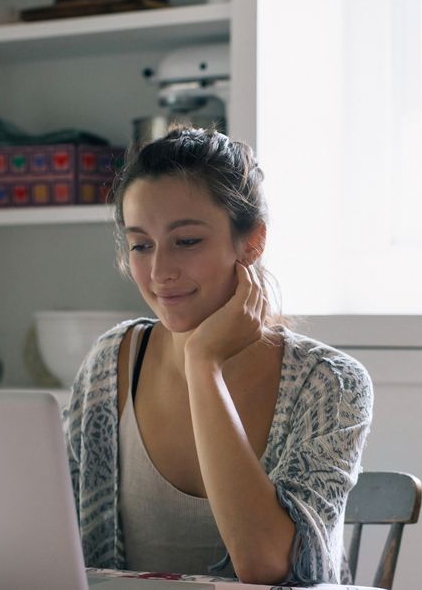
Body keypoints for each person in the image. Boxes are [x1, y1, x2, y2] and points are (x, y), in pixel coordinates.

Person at [62, 127, 373, 586]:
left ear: (251, 242)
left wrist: (203, 365)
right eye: (141, 245)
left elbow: (268, 567)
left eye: (187, 241)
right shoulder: (111, 363)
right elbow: (51, 535)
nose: (160, 271)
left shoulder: (331, 384)